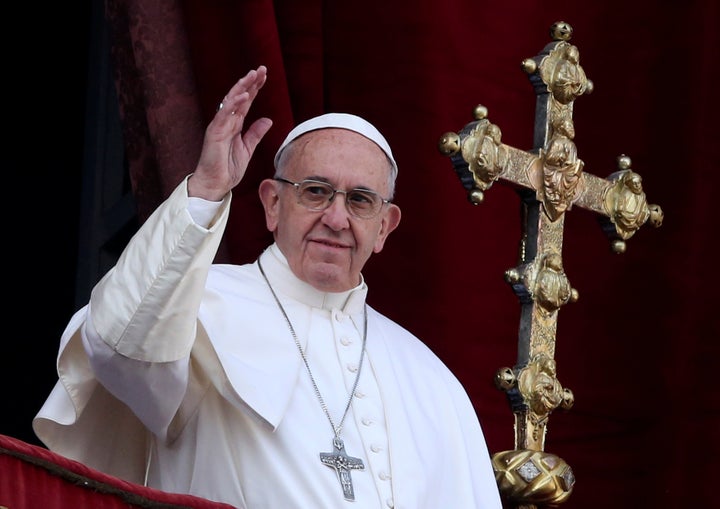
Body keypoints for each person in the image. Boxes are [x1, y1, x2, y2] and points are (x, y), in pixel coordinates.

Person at [34, 65, 502, 509]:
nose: (336, 219)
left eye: (360, 200)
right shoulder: (195, 308)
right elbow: (118, 346)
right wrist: (206, 190)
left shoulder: (431, 379)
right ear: (273, 203)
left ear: (384, 227)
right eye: (315, 191)